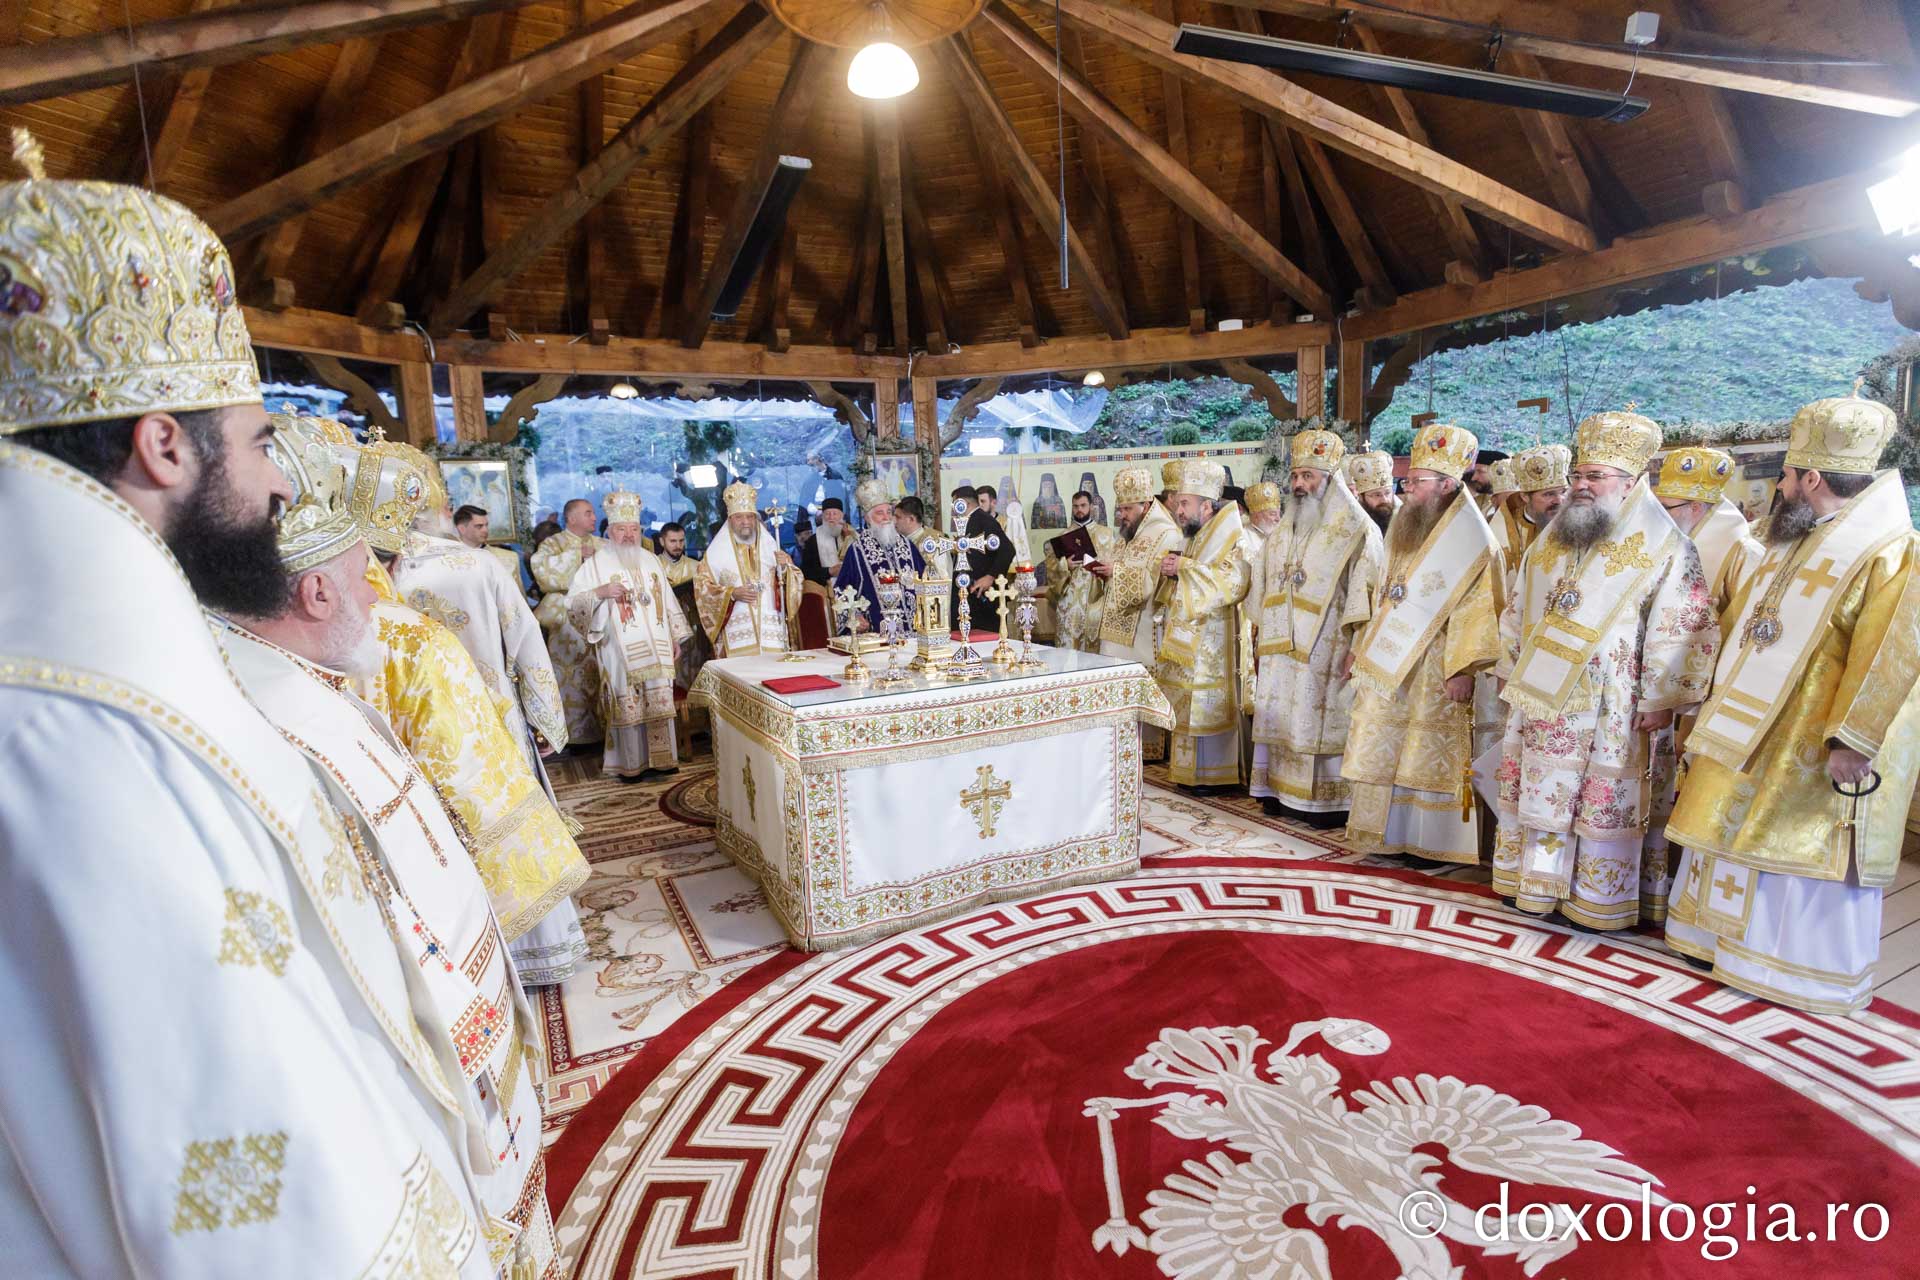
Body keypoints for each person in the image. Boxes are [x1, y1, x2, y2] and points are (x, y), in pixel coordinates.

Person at [0, 151, 512, 1275]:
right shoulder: (78, 738)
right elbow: (236, 1157)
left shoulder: (130, 666)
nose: (282, 486)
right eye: (260, 438)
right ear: (163, 443)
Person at [212, 435, 555, 1277]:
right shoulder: (270, 724)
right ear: (318, 588)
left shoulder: (310, 682)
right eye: (370, 573)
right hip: (407, 1064)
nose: (385, 591)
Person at [282, 416, 590, 987]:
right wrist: (546, 719)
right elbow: (523, 643)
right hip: (487, 725)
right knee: (502, 831)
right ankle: (539, 956)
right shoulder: (478, 564)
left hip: (385, 745)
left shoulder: (352, 576)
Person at [1665, 391, 1919, 1012]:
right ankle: (1723, 944)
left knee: (1796, 839)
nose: (1777, 486)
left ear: (1811, 478)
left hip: (1818, 735)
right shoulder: (1798, 535)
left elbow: (1891, 653)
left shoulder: (1890, 550)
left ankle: (1795, 970)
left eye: (1783, 475)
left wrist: (1853, 740)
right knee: (1737, 820)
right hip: (1755, 723)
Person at [1490, 410, 1718, 931]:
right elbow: (1518, 606)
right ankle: (1535, 885)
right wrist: (1508, 663)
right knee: (1541, 790)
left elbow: (1685, 624)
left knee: (1598, 799)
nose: (1582, 486)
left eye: (1596, 477)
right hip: (1543, 700)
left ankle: (1597, 897)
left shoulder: (1666, 545)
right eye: (1578, 476)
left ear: (1632, 483)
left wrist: (1661, 699)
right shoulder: (1552, 541)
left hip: (1614, 706)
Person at [1341, 424, 1502, 865]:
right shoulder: (1404, 527)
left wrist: (1463, 669)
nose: (1405, 489)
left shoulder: (1473, 540)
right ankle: (1387, 834)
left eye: (1415, 482)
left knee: (1425, 750)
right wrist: (1362, 644)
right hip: (1389, 657)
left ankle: (1433, 842)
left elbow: (1479, 610)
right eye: (1406, 481)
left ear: (1447, 485)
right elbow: (1383, 593)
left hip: (1437, 663)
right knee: (1385, 741)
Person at [1251, 431, 1385, 825]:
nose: (1298, 485)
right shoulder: (1283, 530)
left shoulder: (1358, 530)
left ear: (1329, 479)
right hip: (1281, 648)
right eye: (1295, 476)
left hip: (1329, 648)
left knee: (1320, 716)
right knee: (1284, 716)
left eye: (1308, 476)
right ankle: (1277, 791)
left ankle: (1325, 803)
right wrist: (1260, 631)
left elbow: (1371, 592)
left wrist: (1359, 645)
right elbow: (1262, 580)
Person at [567, 490, 689, 781]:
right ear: (609, 530)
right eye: (621, 529)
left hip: (656, 645)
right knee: (628, 704)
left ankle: (662, 760)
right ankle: (631, 764)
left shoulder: (650, 560)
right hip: (619, 647)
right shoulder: (595, 564)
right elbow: (572, 604)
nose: (628, 535)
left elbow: (667, 600)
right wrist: (601, 593)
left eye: (634, 529)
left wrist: (674, 637)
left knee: (659, 699)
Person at [1154, 459, 1256, 793]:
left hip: (1217, 642)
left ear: (1207, 506)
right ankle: (1189, 774)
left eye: (1185, 503)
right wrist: (1177, 569)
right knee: (1189, 705)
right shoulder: (1196, 536)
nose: (1179, 510)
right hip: (1192, 643)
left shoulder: (1233, 536)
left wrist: (1185, 568)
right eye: (1179, 502)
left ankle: (1217, 775)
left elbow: (1235, 582)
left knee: (1208, 705)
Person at [529, 498, 608, 747]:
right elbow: (543, 573)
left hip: (600, 616)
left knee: (602, 673)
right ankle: (575, 737)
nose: (594, 518)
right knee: (571, 678)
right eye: (588, 513)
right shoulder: (554, 543)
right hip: (567, 620)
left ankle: (607, 732)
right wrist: (576, 555)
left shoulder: (603, 545)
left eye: (594, 514)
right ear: (571, 518)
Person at [695, 481, 804, 656]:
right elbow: (702, 589)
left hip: (772, 633)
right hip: (735, 633)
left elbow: (794, 584)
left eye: (750, 517)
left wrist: (784, 570)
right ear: (730, 520)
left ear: (755, 519)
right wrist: (731, 594)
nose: (745, 522)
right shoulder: (714, 555)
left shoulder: (771, 547)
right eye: (739, 517)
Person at [1091, 467, 1184, 669]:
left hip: (1144, 630)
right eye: (1121, 509)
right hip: (1113, 631)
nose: (1122, 514)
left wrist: (1114, 571)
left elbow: (1156, 581)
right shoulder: (1128, 533)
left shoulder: (1166, 534)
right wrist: (1101, 570)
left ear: (1146, 505)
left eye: (1128, 509)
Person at [834, 477, 927, 634]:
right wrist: (854, 616)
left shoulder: (908, 546)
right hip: (877, 635)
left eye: (889, 512)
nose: (886, 518)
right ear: (868, 518)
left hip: (915, 634)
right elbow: (842, 591)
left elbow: (926, 580)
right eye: (879, 513)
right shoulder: (857, 551)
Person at [1045, 488, 1119, 652]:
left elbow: (1116, 563)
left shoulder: (1107, 534)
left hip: (1096, 599)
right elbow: (1051, 574)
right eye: (1076, 506)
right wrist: (1065, 565)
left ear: (1091, 507)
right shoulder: (1062, 537)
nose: (1079, 509)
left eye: (1083, 505)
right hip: (1070, 602)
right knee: (1069, 647)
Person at [1491, 444, 1570, 592]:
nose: (1559, 500)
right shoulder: (1500, 533)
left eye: (1564, 491)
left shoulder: (1577, 528)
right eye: (1548, 494)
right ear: (1525, 497)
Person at [951, 484, 1016, 632]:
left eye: (956, 506)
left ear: (965, 504)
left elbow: (1007, 549)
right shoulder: (969, 522)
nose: (953, 511)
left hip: (984, 597)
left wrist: (990, 576)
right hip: (970, 595)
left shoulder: (984, 520)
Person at [657, 520, 711, 694]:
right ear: (662, 542)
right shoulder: (653, 566)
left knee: (696, 668)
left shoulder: (696, 566)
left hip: (694, 627)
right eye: (672, 541)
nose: (678, 546)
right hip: (666, 629)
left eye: (681, 541)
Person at [797, 496, 848, 647]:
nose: (831, 517)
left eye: (835, 513)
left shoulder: (852, 538)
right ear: (822, 517)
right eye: (828, 514)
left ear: (842, 516)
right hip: (826, 598)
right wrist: (829, 571)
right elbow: (806, 572)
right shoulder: (813, 541)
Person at [452, 502, 524, 584]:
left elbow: (517, 595)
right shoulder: (449, 559)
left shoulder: (509, 558)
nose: (485, 530)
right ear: (462, 529)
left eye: (486, 525)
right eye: (479, 526)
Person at [895, 495, 951, 582]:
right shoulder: (899, 541)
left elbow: (941, 577)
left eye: (898, 517)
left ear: (911, 519)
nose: (894, 521)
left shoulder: (933, 541)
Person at [1346, 451, 1397, 532]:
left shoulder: (1403, 521)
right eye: (1377, 495)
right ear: (1361, 497)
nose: (1385, 500)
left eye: (1387, 493)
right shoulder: (1351, 526)